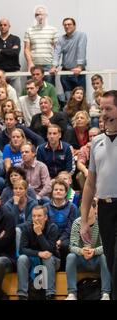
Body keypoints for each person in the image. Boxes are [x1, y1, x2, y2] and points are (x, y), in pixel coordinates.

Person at [81, 90, 117, 300]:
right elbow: (89, 184)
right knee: (111, 260)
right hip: (104, 207)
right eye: (101, 109)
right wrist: (85, 220)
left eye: (109, 109)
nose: (103, 113)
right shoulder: (97, 142)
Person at [65, 199, 111, 300]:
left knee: (105, 256)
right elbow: (72, 246)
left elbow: (107, 245)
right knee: (70, 256)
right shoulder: (77, 223)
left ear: (95, 209)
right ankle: (72, 294)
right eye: (82, 207)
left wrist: (94, 251)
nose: (84, 209)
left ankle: (105, 294)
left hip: (97, 260)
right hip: (82, 259)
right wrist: (81, 251)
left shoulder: (102, 223)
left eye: (87, 207)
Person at [16, 205, 60, 300]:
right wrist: (38, 253)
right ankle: (22, 294)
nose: (36, 218)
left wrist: (39, 234)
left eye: (39, 216)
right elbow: (22, 249)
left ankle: (50, 294)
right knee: (22, 258)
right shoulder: (27, 228)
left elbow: (50, 250)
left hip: (52, 261)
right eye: (34, 216)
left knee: (47, 258)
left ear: (45, 217)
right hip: (33, 259)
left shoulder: (52, 227)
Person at [50, 18, 87, 101]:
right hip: (65, 73)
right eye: (65, 25)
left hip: (78, 73)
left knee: (80, 98)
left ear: (74, 26)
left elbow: (81, 50)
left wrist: (80, 67)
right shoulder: (61, 39)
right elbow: (57, 53)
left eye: (69, 24)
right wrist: (54, 66)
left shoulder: (81, 35)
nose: (67, 26)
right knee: (69, 99)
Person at [45, 178, 78, 269]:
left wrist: (60, 240)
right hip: (50, 237)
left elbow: (71, 227)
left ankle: (63, 270)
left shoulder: (72, 208)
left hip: (66, 238)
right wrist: (53, 240)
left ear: (66, 193)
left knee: (64, 245)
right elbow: (46, 227)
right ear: (52, 192)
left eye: (61, 190)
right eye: (56, 189)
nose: (58, 192)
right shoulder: (46, 207)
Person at [23, 5, 58, 85]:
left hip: (48, 66)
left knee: (49, 89)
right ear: (35, 17)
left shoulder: (53, 30)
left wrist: (54, 65)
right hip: (34, 66)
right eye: (37, 15)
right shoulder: (29, 30)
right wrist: (30, 63)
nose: (40, 16)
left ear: (46, 15)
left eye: (42, 14)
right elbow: (26, 49)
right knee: (32, 89)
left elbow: (57, 49)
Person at [0, 19, 21, 93]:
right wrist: (9, 51)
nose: (2, 27)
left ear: (9, 26)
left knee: (16, 95)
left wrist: (0, 51)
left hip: (14, 73)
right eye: (1, 25)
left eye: (5, 25)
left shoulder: (15, 39)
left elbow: (15, 53)